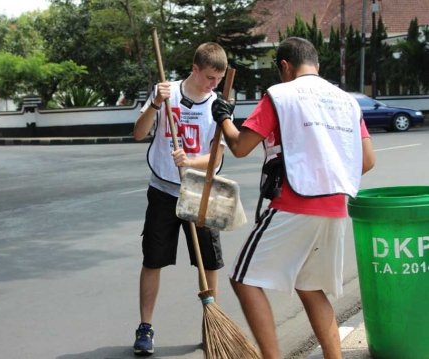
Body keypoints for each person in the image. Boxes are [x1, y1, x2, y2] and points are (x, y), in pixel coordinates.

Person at [211, 37, 375, 359]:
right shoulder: (347, 101)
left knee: (243, 278)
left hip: (293, 203)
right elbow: (366, 160)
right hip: (334, 209)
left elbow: (241, 146)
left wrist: (225, 119)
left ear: (284, 66)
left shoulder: (280, 95)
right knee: (311, 288)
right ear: (316, 64)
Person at [132, 42, 231, 355]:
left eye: (219, 78)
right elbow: (138, 133)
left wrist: (191, 162)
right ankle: (145, 328)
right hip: (163, 189)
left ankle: (209, 325)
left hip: (200, 190)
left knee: (210, 262)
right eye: (209, 78)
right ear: (195, 68)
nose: (213, 84)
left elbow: (216, 158)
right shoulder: (167, 92)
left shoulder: (217, 104)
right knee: (153, 260)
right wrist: (155, 106)